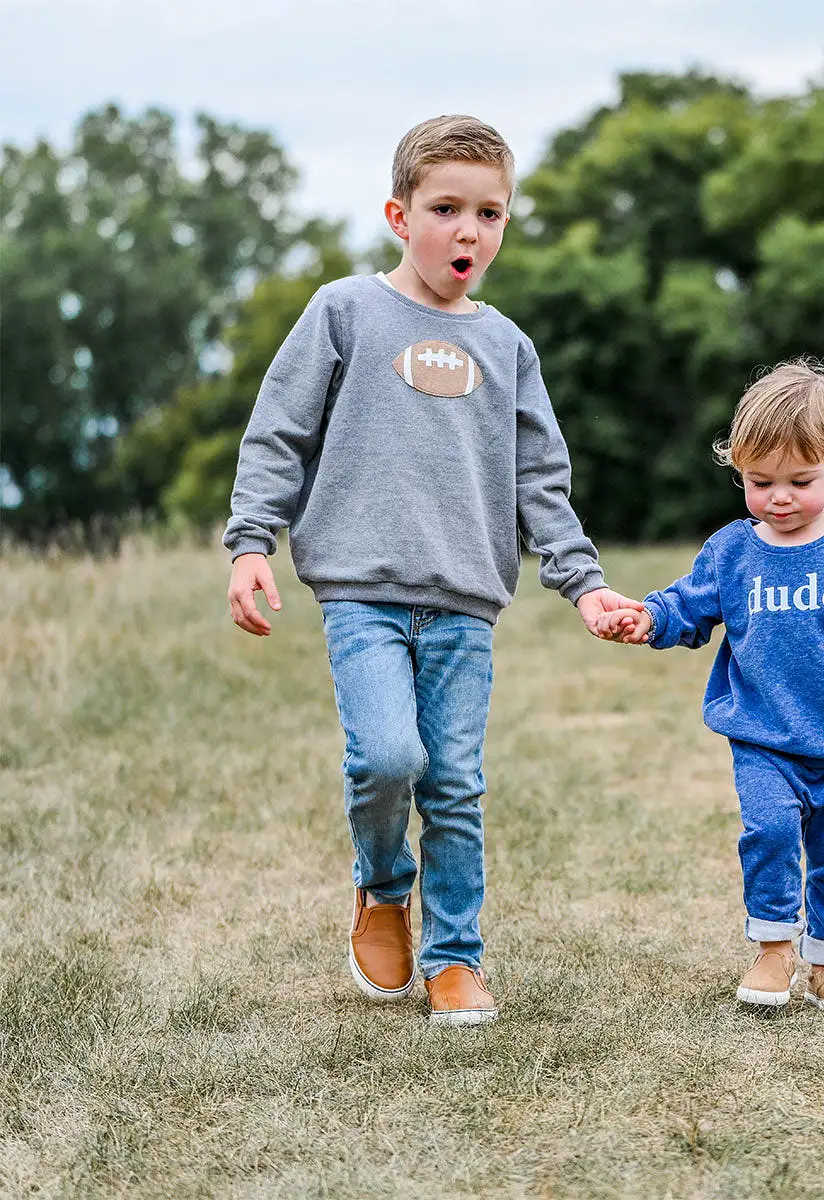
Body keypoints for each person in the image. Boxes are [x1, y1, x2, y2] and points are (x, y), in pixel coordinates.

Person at [223, 115, 642, 1027]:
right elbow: (279, 434)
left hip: (463, 605)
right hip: (361, 594)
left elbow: (541, 480)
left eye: (489, 214)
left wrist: (583, 581)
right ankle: (382, 890)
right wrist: (251, 541)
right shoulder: (344, 312)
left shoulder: (509, 347)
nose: (468, 231)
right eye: (446, 208)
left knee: (453, 781)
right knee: (387, 758)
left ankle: (455, 960)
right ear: (397, 214)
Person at [598, 360, 824, 1012]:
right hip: (764, 735)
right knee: (769, 832)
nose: (778, 496)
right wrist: (649, 618)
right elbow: (688, 606)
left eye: (799, 481)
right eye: (758, 481)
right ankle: (774, 952)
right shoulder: (732, 552)